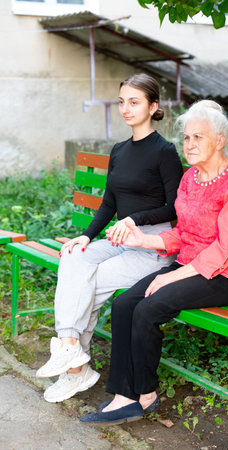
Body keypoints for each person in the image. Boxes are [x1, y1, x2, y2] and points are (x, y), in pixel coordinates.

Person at [80, 99, 228, 425]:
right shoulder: (190, 179)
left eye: (198, 137)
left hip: (225, 276)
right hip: (188, 265)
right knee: (124, 305)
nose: (189, 144)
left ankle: (145, 394)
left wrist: (168, 277)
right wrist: (144, 240)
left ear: (219, 140)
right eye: (186, 138)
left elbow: (224, 250)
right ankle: (123, 395)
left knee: (147, 309)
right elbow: (182, 233)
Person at [36, 73, 183, 403]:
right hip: (120, 240)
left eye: (134, 102)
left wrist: (135, 220)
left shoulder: (165, 152)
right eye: (122, 102)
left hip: (152, 246)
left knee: (90, 280)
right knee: (74, 258)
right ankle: (71, 351)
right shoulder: (118, 151)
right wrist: (86, 237)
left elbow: (174, 207)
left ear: (153, 106)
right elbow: (109, 203)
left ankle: (74, 369)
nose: (126, 109)